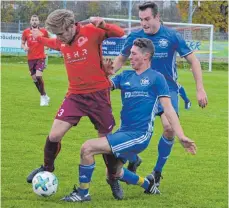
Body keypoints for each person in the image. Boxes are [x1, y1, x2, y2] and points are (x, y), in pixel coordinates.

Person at [60, 38, 197, 202]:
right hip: (124, 132)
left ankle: (83, 194)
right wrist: (102, 72)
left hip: (139, 135)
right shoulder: (125, 76)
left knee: (87, 148)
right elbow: (101, 87)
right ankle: (147, 185)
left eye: (133, 54)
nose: (129, 57)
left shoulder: (156, 78)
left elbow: (168, 110)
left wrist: (181, 136)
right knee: (113, 172)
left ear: (146, 56)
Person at [105, 1, 207, 187]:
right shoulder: (136, 37)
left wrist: (200, 88)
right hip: (142, 90)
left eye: (147, 19)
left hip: (167, 89)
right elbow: (121, 57)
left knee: (169, 128)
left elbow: (194, 61)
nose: (144, 23)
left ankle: (157, 172)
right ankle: (132, 159)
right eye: (141, 19)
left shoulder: (171, 36)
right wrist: (110, 72)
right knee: (134, 129)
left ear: (157, 17)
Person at [26, 9, 125, 200]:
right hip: (75, 96)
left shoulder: (92, 31)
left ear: (72, 26)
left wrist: (104, 24)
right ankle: (47, 169)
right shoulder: (61, 40)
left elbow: (120, 34)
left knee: (106, 141)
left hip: (98, 95)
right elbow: (51, 42)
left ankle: (113, 177)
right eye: (57, 35)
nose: (60, 38)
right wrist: (39, 37)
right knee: (54, 134)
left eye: (62, 33)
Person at [21, 15, 50, 106]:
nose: (34, 21)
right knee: (34, 78)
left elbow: (49, 42)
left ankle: (42, 97)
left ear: (38, 21)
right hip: (31, 59)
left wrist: (46, 47)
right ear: (30, 22)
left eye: (36, 20)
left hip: (41, 57)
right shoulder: (26, 32)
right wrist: (24, 47)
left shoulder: (43, 31)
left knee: (38, 76)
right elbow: (22, 43)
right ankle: (45, 95)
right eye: (32, 20)